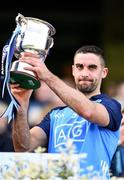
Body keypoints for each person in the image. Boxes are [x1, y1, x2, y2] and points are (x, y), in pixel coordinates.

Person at [10, 45, 122, 178]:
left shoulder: (111, 106)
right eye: (80, 67)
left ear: (104, 72)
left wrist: (47, 76)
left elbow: (88, 112)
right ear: (73, 70)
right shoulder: (55, 114)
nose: (85, 73)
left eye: (92, 67)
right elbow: (23, 147)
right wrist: (21, 106)